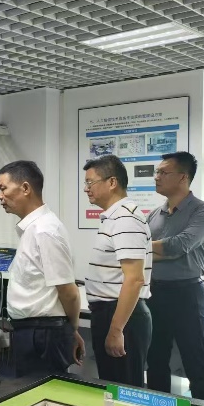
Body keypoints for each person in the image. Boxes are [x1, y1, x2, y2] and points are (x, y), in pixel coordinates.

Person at [0, 161, 85, 376]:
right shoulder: (33, 229)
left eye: (3, 188)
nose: (0, 196)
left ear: (26, 188)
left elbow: (69, 292)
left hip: (43, 334)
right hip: (34, 332)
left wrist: (72, 330)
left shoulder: (45, 230)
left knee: (44, 392)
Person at [146, 152, 204, 401]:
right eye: (157, 172)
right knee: (155, 358)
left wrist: (142, 247)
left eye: (163, 172)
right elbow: (148, 255)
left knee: (194, 361)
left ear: (183, 177)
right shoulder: (154, 214)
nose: (157, 177)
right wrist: (153, 250)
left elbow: (179, 245)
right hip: (154, 291)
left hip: (186, 294)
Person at [83, 155, 152, 387]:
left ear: (112, 182)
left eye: (90, 182)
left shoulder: (125, 218)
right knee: (113, 387)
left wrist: (116, 329)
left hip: (121, 316)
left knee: (124, 391)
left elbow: (134, 279)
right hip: (112, 313)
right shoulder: (114, 217)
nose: (86, 189)